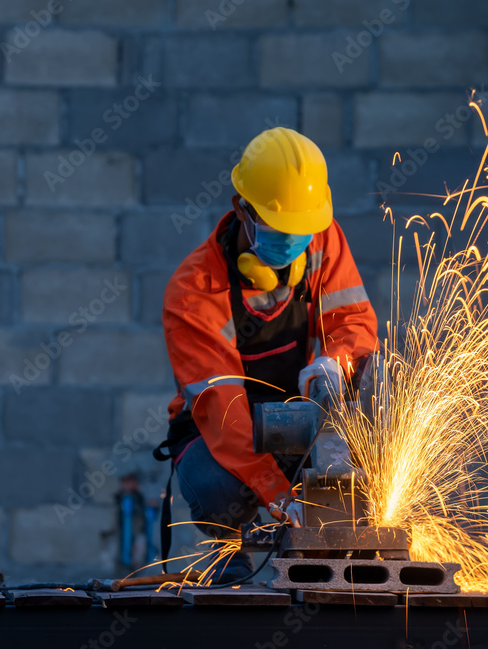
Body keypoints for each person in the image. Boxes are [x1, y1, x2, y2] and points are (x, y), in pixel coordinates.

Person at [154, 126, 381, 583]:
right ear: (243, 210)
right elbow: (226, 418)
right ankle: (227, 549)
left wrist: (334, 362)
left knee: (370, 411)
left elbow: (355, 324)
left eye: (303, 230)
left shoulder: (322, 239)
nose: (296, 240)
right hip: (225, 432)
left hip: (296, 415)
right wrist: (281, 497)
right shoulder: (193, 291)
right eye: (282, 229)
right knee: (219, 487)